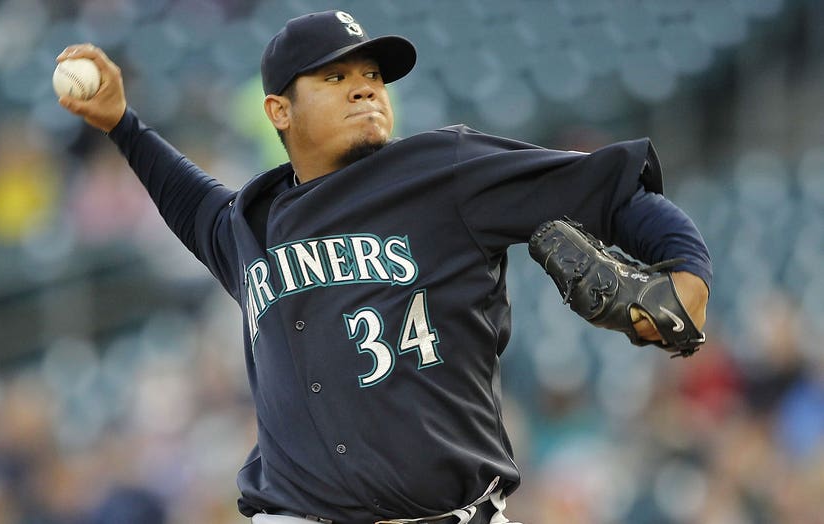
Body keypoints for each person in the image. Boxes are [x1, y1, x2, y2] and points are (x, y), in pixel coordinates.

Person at [57, 9, 711, 524]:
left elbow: (611, 189)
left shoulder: (441, 171)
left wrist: (686, 269)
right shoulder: (248, 224)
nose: (365, 87)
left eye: (372, 74)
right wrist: (122, 125)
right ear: (279, 111)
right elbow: (187, 199)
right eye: (334, 77)